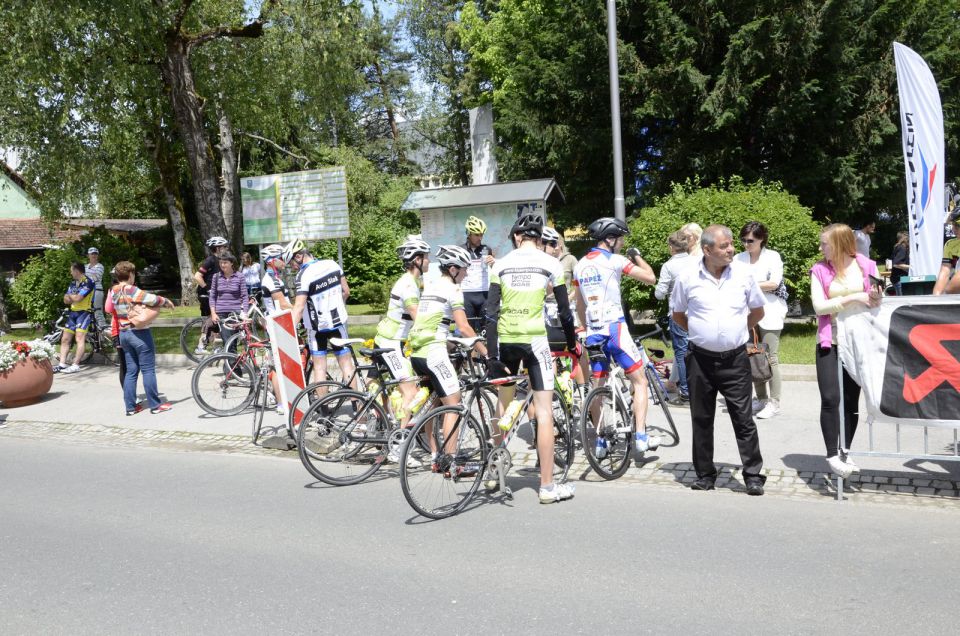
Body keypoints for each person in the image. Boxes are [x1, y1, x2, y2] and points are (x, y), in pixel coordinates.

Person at [485, 214, 577, 504]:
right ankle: (548, 487)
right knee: (544, 410)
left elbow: (490, 313)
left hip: (506, 340)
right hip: (535, 340)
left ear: (516, 237)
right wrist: (572, 344)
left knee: (503, 404)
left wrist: (491, 354)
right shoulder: (550, 263)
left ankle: (494, 473)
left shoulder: (500, 264)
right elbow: (564, 311)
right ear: (539, 239)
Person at [670, 225, 767, 496]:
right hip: (700, 359)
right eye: (724, 246)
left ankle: (753, 475)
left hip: (735, 359)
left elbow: (757, 311)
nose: (731, 249)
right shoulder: (687, 277)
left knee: (743, 418)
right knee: (701, 418)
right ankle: (704, 474)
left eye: (731, 244)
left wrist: (736, 331)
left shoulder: (743, 275)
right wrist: (703, 333)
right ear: (707, 249)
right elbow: (678, 314)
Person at [573, 217, 661, 456]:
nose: (622, 243)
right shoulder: (616, 260)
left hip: (593, 333)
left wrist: (585, 325)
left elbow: (579, 303)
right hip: (615, 330)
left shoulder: (579, 265)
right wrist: (636, 255)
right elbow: (651, 278)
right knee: (639, 381)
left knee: (596, 387)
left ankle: (602, 441)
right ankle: (641, 435)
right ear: (610, 239)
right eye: (620, 239)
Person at [810, 223, 881, 478]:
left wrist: (875, 297)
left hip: (859, 342)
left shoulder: (866, 265)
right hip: (830, 341)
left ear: (839, 244)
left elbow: (876, 301)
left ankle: (845, 451)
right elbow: (819, 307)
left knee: (851, 401)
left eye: (824, 243)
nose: (820, 248)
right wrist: (854, 298)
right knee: (830, 398)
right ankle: (831, 454)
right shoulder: (819, 269)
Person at [407, 245, 487, 468]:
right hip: (433, 354)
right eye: (464, 269)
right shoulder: (453, 290)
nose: (466, 274)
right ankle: (452, 462)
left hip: (418, 353)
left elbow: (434, 324)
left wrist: (450, 343)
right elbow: (464, 327)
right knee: (454, 403)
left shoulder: (431, 287)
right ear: (453, 269)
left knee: (435, 406)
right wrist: (487, 354)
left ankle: (436, 456)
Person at [374, 235, 430, 427]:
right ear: (417, 259)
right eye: (426, 257)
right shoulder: (408, 285)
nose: (429, 261)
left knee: (400, 388)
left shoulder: (411, 281)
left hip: (389, 340)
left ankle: (385, 424)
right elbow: (418, 318)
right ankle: (402, 442)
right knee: (411, 392)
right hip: (390, 343)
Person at [287, 238, 357, 390]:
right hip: (338, 324)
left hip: (317, 329)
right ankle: (357, 407)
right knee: (347, 365)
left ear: (298, 257)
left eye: (291, 264)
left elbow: (298, 307)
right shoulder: (332, 264)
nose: (293, 268)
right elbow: (346, 291)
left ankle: (324, 409)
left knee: (319, 369)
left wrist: (288, 333)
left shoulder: (303, 275)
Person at [734, 221, 788, 419]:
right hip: (747, 313)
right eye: (743, 240)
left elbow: (774, 282)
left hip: (771, 311)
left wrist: (748, 284)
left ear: (761, 239)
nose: (746, 244)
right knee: (753, 354)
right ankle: (761, 399)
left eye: (750, 240)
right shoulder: (738, 258)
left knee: (771, 357)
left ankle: (775, 402)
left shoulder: (772, 256)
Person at [111, 260, 175, 415]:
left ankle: (130, 408)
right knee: (148, 370)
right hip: (138, 333)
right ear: (130, 274)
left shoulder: (114, 291)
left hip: (124, 333)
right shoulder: (131, 290)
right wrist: (165, 301)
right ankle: (155, 405)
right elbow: (151, 299)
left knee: (131, 371)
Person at [654, 229, 695, 405]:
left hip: (678, 313)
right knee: (698, 352)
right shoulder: (698, 262)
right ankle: (699, 389)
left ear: (671, 247)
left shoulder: (669, 266)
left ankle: (685, 392)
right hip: (698, 313)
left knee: (681, 353)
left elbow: (660, 294)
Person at [541, 226, 586, 388]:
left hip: (567, 304)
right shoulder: (543, 262)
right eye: (553, 244)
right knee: (551, 352)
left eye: (557, 243)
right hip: (547, 306)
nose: (556, 247)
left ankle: (583, 387)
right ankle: (554, 391)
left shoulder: (570, 259)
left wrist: (570, 296)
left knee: (574, 347)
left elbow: (578, 281)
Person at [53, 262, 96, 374]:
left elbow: (78, 298)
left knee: (79, 338)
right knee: (65, 339)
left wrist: (71, 297)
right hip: (73, 313)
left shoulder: (88, 282)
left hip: (84, 313)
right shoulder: (73, 283)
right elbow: (65, 300)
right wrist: (72, 297)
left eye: (72, 271)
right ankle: (62, 364)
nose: (71, 273)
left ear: (77, 271)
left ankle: (75, 365)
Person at [192, 236, 229, 354]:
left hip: (214, 295)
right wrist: (207, 289)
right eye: (224, 247)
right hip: (206, 295)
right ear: (217, 248)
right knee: (212, 319)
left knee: (217, 320)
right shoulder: (210, 260)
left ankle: (215, 347)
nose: (226, 249)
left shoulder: (220, 261)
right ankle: (201, 346)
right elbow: (197, 276)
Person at [460, 215, 496, 333]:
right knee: (468, 329)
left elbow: (494, 269)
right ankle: (470, 351)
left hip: (483, 293)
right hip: (466, 293)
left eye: (481, 235)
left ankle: (485, 351)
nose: (480, 238)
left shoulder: (487, 249)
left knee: (486, 328)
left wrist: (493, 263)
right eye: (477, 235)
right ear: (469, 234)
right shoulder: (460, 250)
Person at [209, 252, 248, 354]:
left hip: (235, 314)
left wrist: (245, 312)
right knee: (228, 342)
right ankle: (232, 368)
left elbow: (244, 296)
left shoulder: (240, 277)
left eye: (225, 262)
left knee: (233, 342)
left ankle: (230, 366)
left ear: (231, 263)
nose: (222, 265)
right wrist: (213, 313)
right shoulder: (216, 277)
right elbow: (212, 296)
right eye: (221, 263)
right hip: (221, 314)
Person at [932, 210, 960, 295]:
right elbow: (944, 272)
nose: (953, 228)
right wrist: (934, 300)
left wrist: (949, 290)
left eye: (957, 225)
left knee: (950, 289)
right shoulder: (950, 244)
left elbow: (951, 288)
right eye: (952, 224)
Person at [259, 244, 291, 314]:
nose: (284, 261)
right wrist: (300, 309)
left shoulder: (274, 277)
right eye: (282, 258)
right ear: (272, 260)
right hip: (279, 322)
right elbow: (283, 305)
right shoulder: (271, 279)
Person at [85, 247, 106, 327]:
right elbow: (81, 278)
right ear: (88, 255)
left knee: (98, 312)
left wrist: (86, 278)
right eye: (92, 254)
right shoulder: (85, 266)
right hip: (87, 291)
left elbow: (95, 278)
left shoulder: (100, 266)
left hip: (97, 290)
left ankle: (103, 334)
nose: (94, 255)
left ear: (97, 255)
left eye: (95, 254)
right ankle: (94, 335)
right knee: (88, 312)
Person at [889, 231, 910, 295]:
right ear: (905, 239)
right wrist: (911, 267)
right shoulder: (902, 248)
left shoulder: (898, 247)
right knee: (901, 300)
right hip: (899, 279)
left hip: (896, 278)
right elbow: (896, 264)